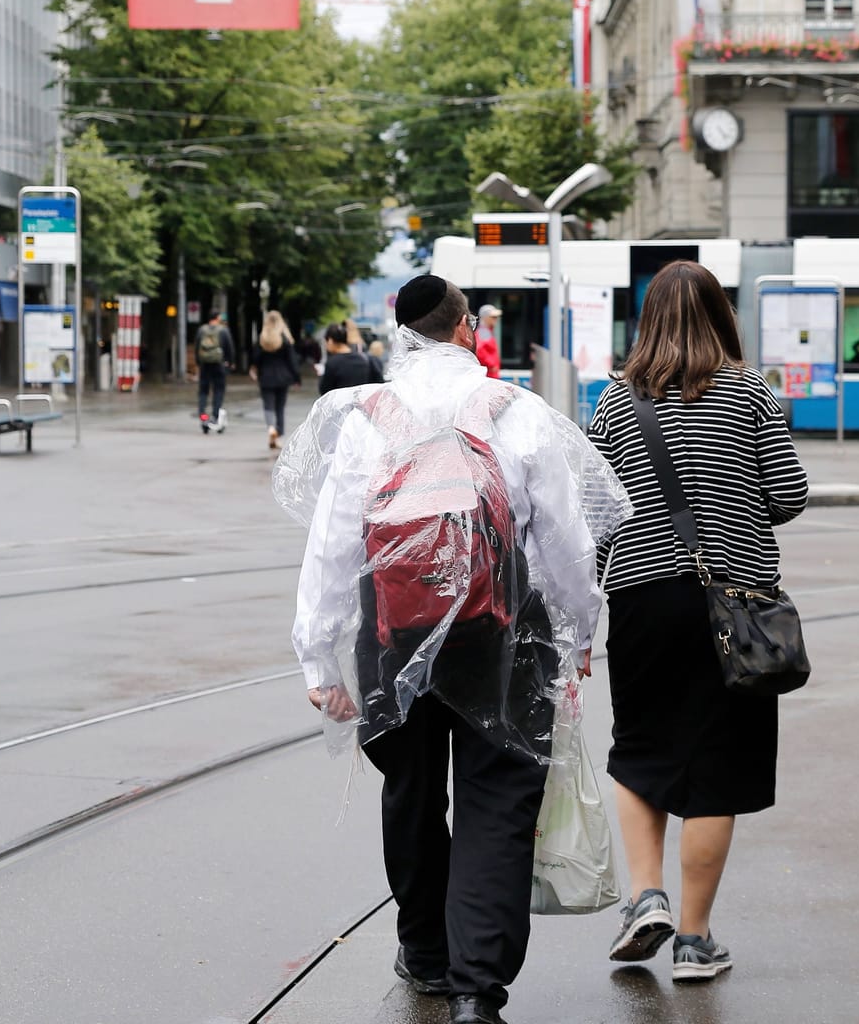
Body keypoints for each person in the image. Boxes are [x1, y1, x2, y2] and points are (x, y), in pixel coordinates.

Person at [275, 275, 629, 1024]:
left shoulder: (368, 418)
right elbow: (565, 540)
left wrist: (317, 661)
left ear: (402, 334)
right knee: (498, 797)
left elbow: (335, 545)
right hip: (503, 632)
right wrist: (582, 626)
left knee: (410, 793)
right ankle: (477, 989)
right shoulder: (518, 412)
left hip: (389, 632)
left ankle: (425, 953)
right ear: (466, 328)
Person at [586, 260, 808, 984]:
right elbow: (789, 495)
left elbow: (591, 518)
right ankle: (693, 939)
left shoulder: (614, 405)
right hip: (735, 604)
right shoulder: (751, 393)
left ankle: (644, 897)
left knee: (641, 748)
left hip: (642, 600)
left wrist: (584, 612)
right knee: (719, 765)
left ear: (647, 321)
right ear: (723, 315)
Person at [251, 309, 303, 450]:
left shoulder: (262, 340)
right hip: (283, 378)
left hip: (265, 378)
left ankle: (271, 428)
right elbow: (292, 361)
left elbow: (256, 359)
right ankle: (278, 435)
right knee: (280, 407)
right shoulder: (285, 340)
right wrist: (297, 378)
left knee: (268, 405)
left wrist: (256, 369)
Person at [194, 314, 235, 434]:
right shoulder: (223, 331)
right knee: (218, 390)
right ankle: (215, 417)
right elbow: (229, 348)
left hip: (204, 365)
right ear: (217, 318)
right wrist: (231, 362)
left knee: (203, 391)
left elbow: (197, 347)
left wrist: (198, 362)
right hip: (219, 365)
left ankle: (203, 417)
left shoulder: (201, 330)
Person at [318, 322, 384, 394]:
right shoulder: (364, 359)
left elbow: (325, 391)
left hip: (341, 404)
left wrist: (321, 375)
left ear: (330, 341)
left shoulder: (332, 363)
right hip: (360, 403)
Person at [475, 304, 503, 379]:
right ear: (485, 318)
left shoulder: (486, 331)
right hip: (489, 375)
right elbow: (478, 350)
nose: (496, 319)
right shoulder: (484, 332)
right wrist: (491, 365)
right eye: (493, 317)